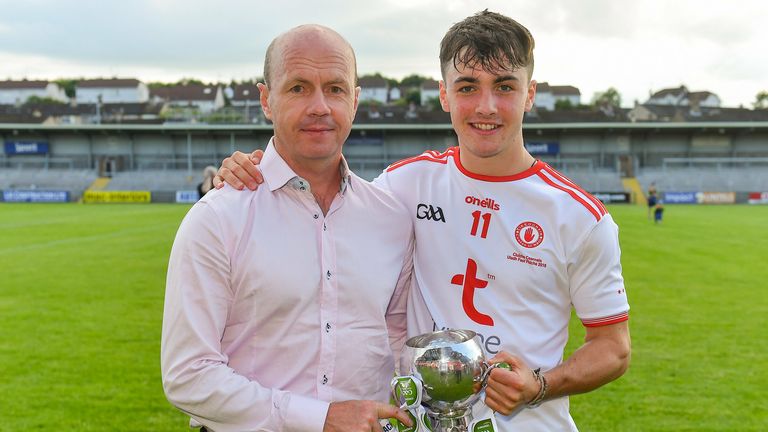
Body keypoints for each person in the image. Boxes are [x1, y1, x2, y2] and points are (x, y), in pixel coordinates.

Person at [216, 11, 631, 431]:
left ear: (530, 94)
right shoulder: (404, 185)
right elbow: (317, 196)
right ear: (444, 95)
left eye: (505, 86)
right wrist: (250, 167)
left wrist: (540, 385)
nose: (486, 106)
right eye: (467, 87)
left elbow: (613, 348)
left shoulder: (579, 216)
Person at [161, 25, 415, 432]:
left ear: (354, 100)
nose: (319, 106)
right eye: (298, 88)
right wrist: (320, 419)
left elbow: (400, 342)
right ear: (266, 100)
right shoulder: (218, 218)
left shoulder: (392, 218)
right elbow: (188, 375)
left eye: (335, 88)